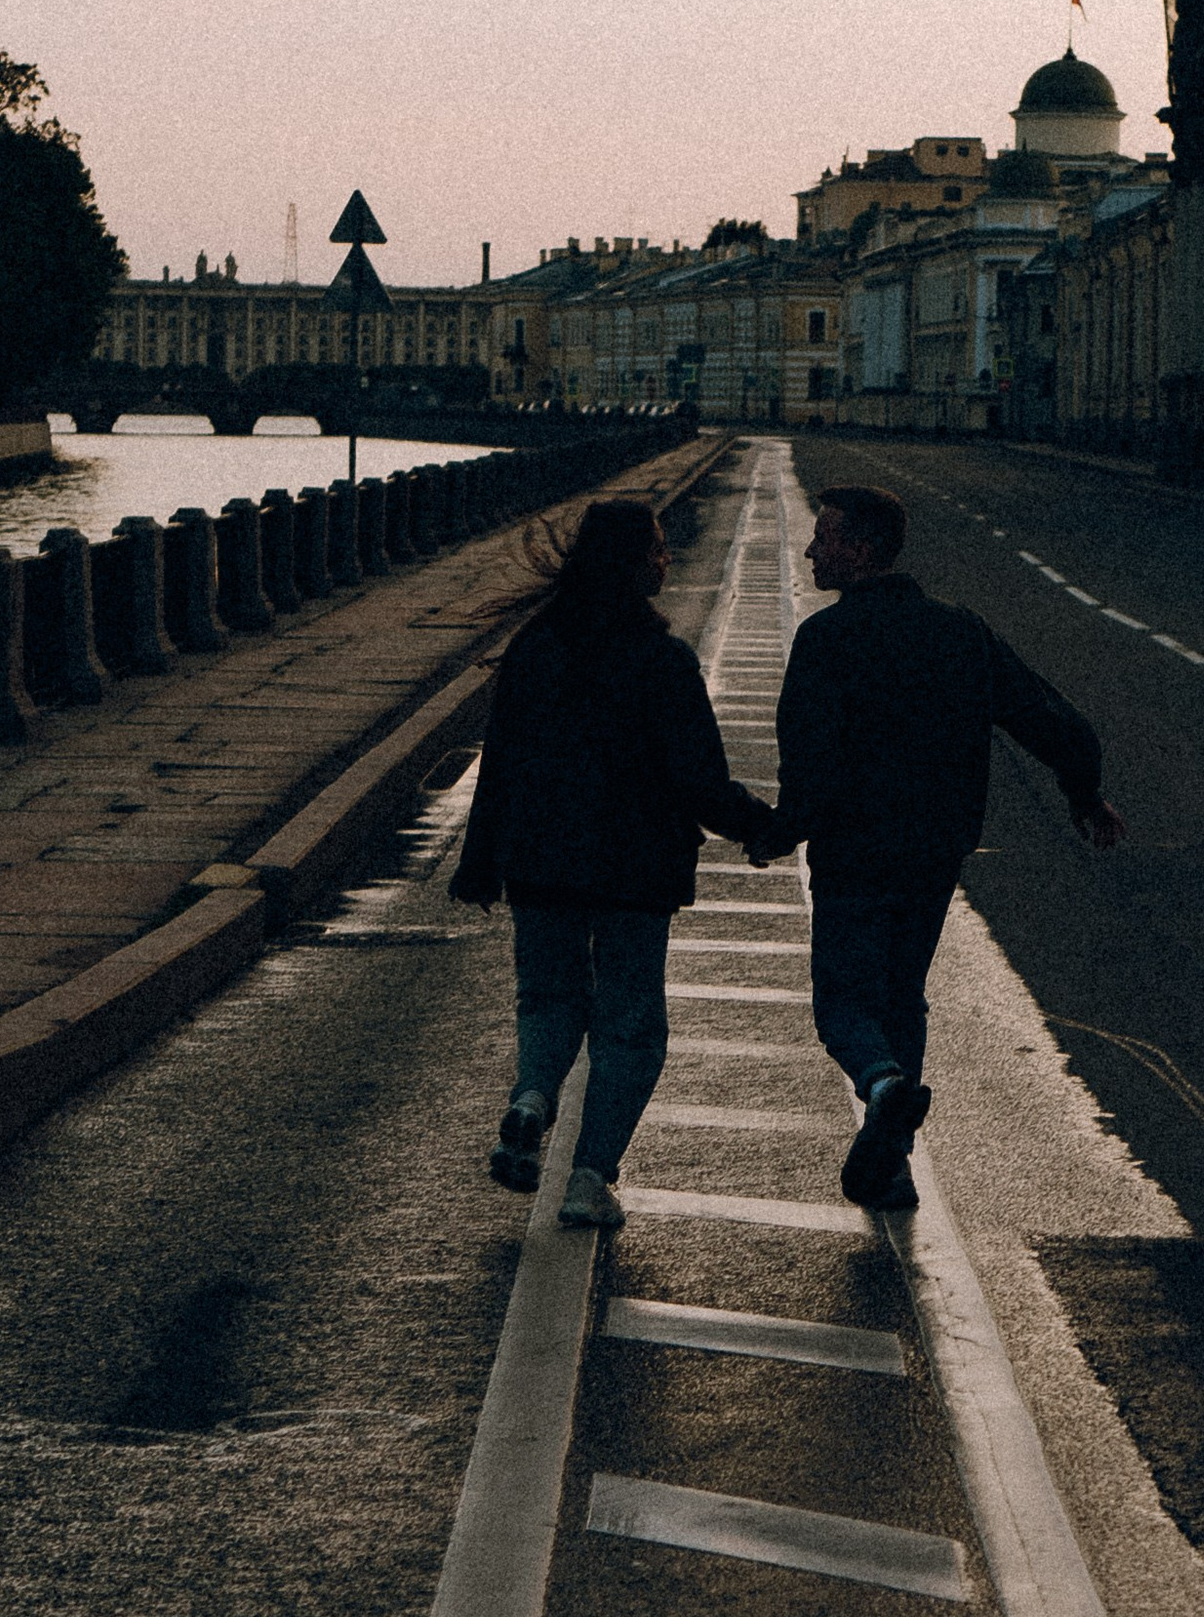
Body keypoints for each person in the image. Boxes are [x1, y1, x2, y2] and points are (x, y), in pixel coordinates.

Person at [755, 483, 1121, 1212]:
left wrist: (778, 830)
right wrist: (1084, 794)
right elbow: (1054, 720)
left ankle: (885, 1088)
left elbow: (808, 756)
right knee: (901, 996)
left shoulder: (825, 640)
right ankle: (891, 1165)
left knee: (843, 1005)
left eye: (824, 537)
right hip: (934, 850)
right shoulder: (960, 631)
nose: (810, 548)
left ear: (860, 550)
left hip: (853, 850)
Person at [451, 498, 768, 1231]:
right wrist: (760, 828)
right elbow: (698, 779)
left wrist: (481, 863)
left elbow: (500, 764)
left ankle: (532, 1098)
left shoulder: (535, 648)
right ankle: (589, 1179)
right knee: (629, 1026)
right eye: (655, 550)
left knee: (548, 1000)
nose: (664, 560)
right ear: (628, 563)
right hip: (636, 868)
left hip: (540, 860)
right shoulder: (662, 660)